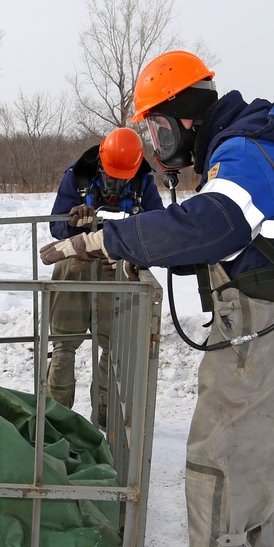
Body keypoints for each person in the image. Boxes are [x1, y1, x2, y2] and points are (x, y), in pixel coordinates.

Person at [40, 51, 274, 547]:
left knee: (220, 466)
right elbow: (230, 226)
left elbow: (217, 221)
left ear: (186, 117)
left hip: (260, 330)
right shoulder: (267, 140)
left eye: (157, 127)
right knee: (267, 465)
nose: (154, 142)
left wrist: (105, 237)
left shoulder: (242, 148)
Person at [46, 127, 163, 428]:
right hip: (74, 265)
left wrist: (132, 243)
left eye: (123, 177)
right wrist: (73, 223)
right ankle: (56, 419)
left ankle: (106, 419)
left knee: (114, 347)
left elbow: (158, 228)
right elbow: (56, 227)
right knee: (63, 343)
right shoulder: (78, 176)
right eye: (112, 175)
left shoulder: (143, 183)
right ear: (101, 162)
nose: (115, 184)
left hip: (118, 268)